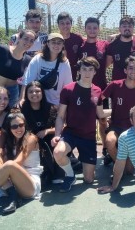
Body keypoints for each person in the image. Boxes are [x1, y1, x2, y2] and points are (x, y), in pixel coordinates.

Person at [51, 57, 111, 192]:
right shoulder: (68, 89)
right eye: (84, 69)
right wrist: (57, 135)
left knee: (89, 180)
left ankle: (82, 163)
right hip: (71, 133)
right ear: (79, 71)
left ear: (95, 72)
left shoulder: (97, 91)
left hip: (89, 137)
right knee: (58, 152)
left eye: (91, 70)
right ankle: (70, 174)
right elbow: (60, 116)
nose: (87, 73)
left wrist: (118, 110)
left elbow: (100, 114)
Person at [101, 56, 135, 171]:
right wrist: (102, 114)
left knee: (130, 171)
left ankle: (122, 162)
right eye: (130, 68)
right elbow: (99, 97)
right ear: (125, 70)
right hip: (116, 126)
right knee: (110, 141)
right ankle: (118, 165)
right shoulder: (114, 85)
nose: (133, 71)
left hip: (134, 128)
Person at [0, 30, 35, 107]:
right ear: (19, 38)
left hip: (12, 92)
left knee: (9, 117)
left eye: (31, 41)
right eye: (26, 38)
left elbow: (25, 80)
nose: (28, 42)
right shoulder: (1, 50)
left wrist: (21, 98)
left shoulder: (28, 60)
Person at [21, 81, 64, 184]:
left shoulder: (52, 108)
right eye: (31, 92)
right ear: (26, 94)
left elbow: (64, 126)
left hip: (49, 140)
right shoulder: (22, 109)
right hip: (30, 142)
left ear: (42, 93)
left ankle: (56, 173)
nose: (34, 94)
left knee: (57, 142)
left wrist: (47, 131)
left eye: (37, 91)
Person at [78, 17, 110, 157]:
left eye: (95, 27)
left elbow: (107, 63)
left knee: (103, 120)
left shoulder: (105, 45)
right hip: (83, 89)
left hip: (102, 88)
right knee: (86, 120)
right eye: (89, 27)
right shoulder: (80, 46)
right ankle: (85, 150)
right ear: (85, 29)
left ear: (99, 29)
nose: (92, 30)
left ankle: (105, 148)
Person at [21, 33, 73, 106]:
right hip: (38, 102)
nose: (56, 45)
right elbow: (28, 81)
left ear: (62, 45)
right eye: (53, 42)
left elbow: (67, 86)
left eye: (59, 43)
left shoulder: (64, 62)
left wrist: (64, 106)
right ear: (48, 44)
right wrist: (22, 99)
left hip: (55, 104)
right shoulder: (38, 59)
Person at [106, 16, 135, 81]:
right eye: (124, 26)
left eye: (130, 26)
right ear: (119, 28)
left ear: (133, 28)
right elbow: (105, 65)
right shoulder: (112, 45)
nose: (127, 28)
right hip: (118, 85)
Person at [57, 12, 84, 81]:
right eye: (62, 23)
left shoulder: (77, 38)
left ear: (71, 24)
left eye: (67, 23)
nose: (65, 26)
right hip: (56, 73)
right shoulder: (54, 39)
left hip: (72, 73)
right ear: (58, 25)